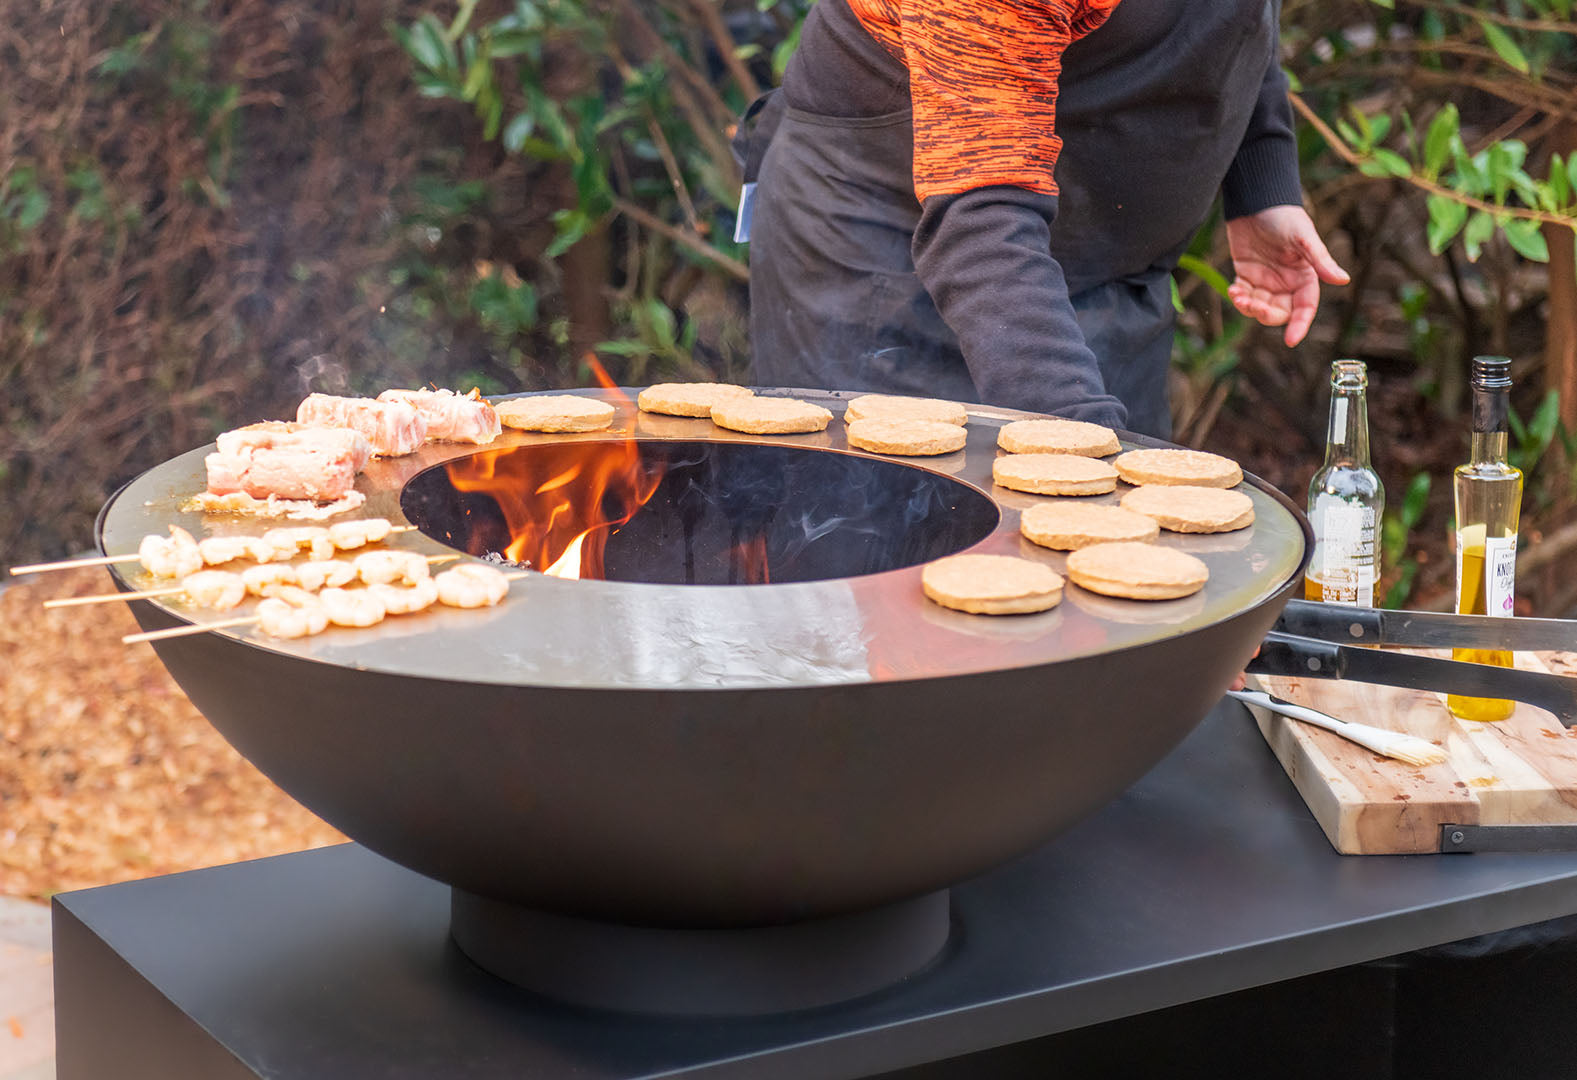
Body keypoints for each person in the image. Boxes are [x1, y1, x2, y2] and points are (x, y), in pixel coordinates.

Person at [741, 0, 1349, 438]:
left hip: (1099, 267)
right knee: (907, 555)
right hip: (894, 260)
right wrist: (1079, 441)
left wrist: (1262, 179)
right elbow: (980, 217)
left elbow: (1238, 25)